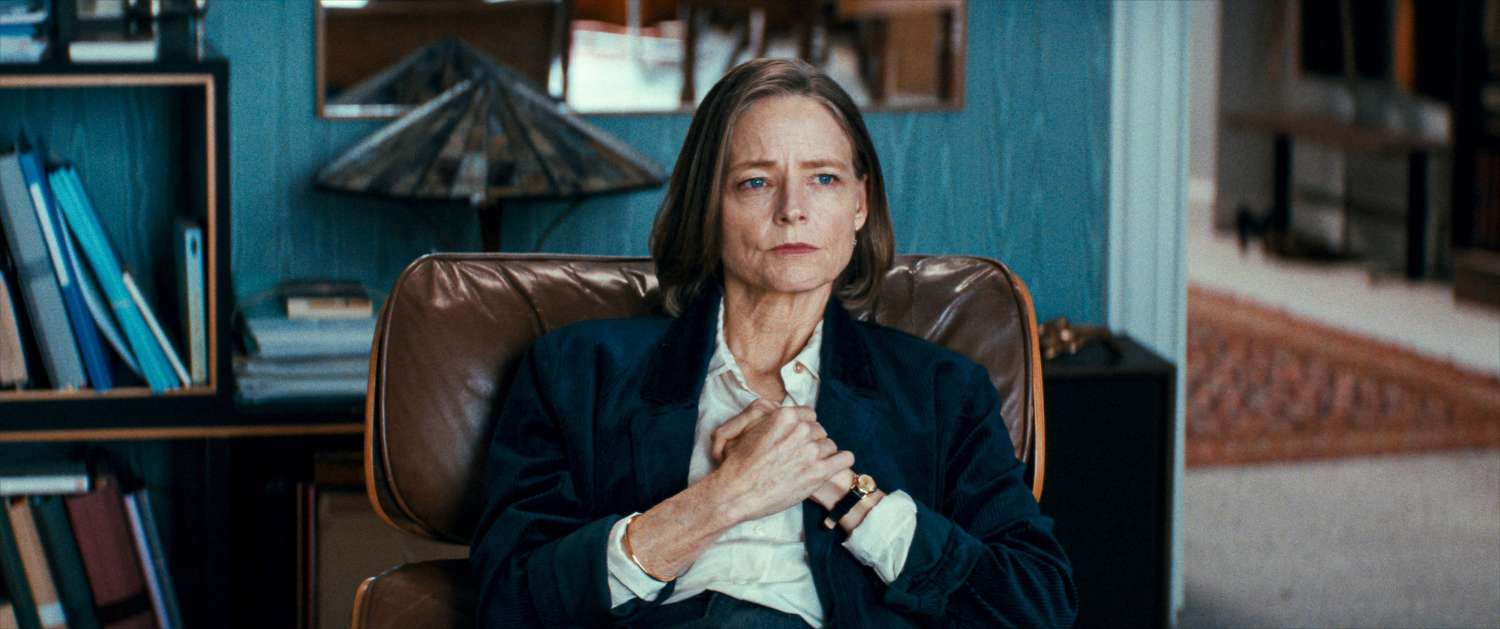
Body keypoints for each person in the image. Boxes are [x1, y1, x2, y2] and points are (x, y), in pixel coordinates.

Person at [470, 58, 1077, 628]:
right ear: (709, 206)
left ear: (859, 204)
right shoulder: (578, 369)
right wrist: (724, 497)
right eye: (756, 181)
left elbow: (1036, 602)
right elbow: (508, 599)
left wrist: (840, 490)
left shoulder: (942, 391)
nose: (793, 210)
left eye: (824, 178)